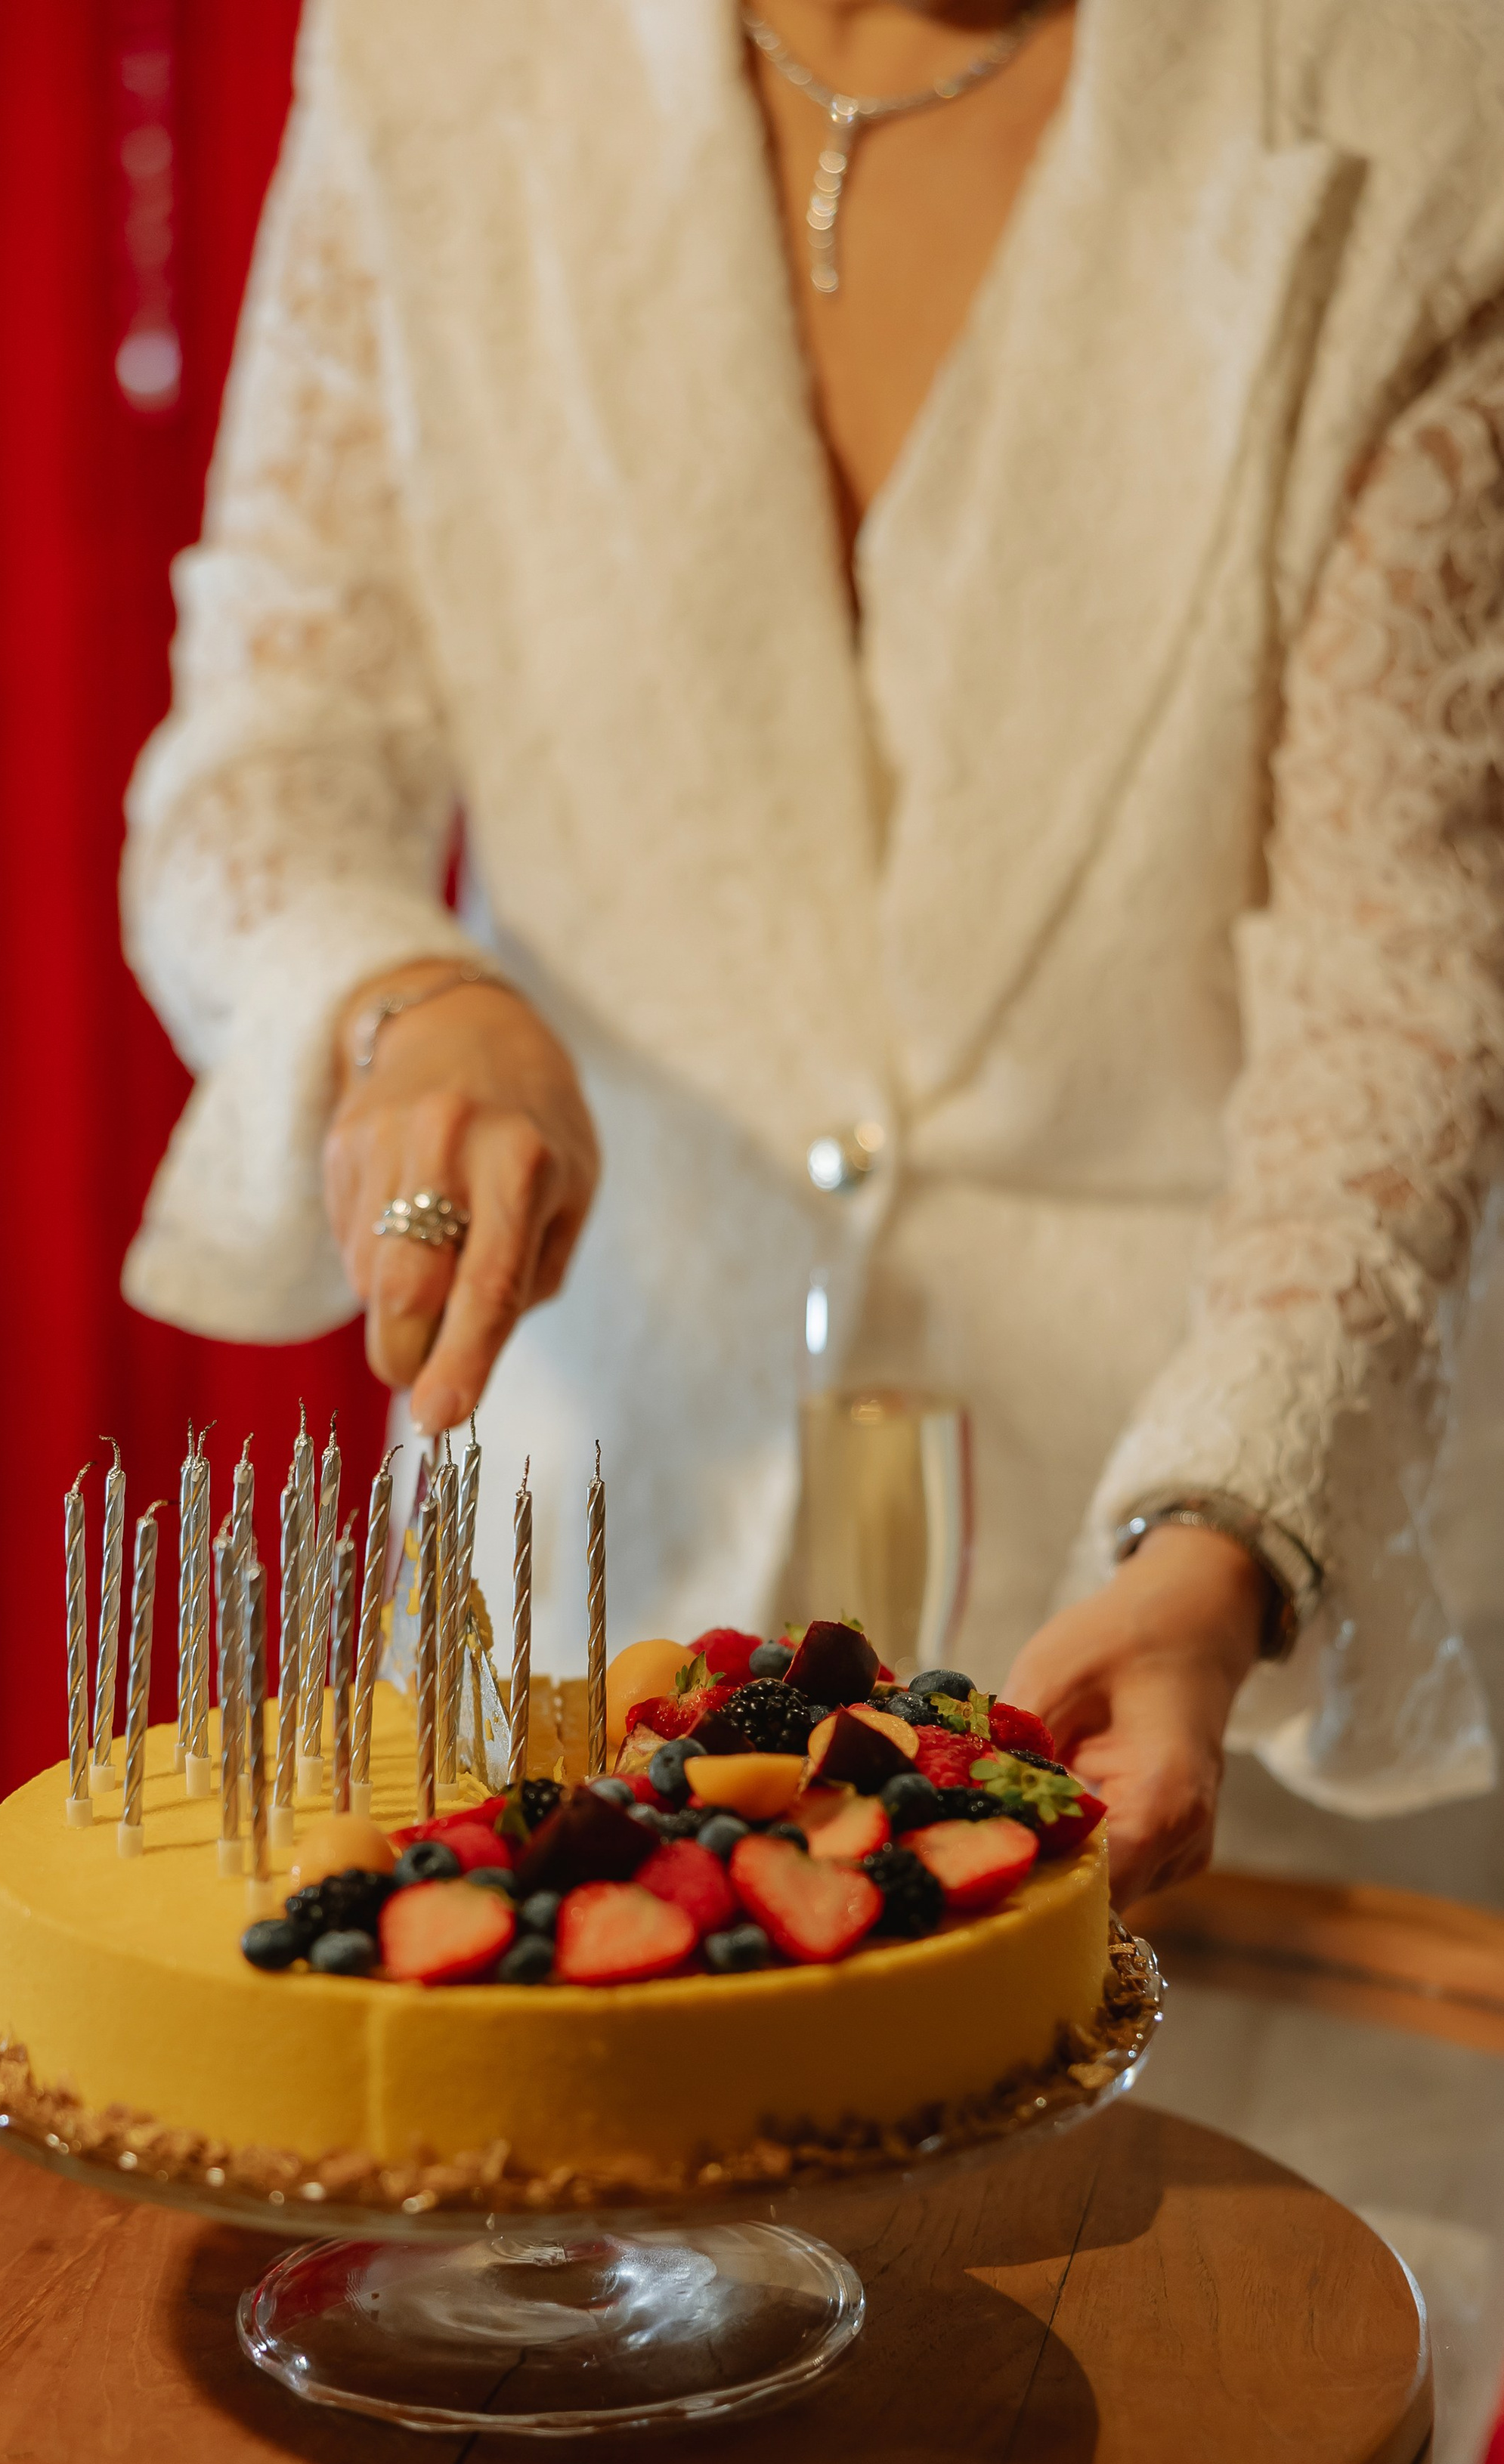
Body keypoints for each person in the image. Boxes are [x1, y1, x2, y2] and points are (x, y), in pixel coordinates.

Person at [119, 0, 1504, 1906]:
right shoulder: (431, 51)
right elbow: (262, 768)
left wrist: (1226, 1526)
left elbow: (1397, 980)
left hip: (1198, 1677)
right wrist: (406, 1007)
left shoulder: (1417, 86)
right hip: (577, 1618)